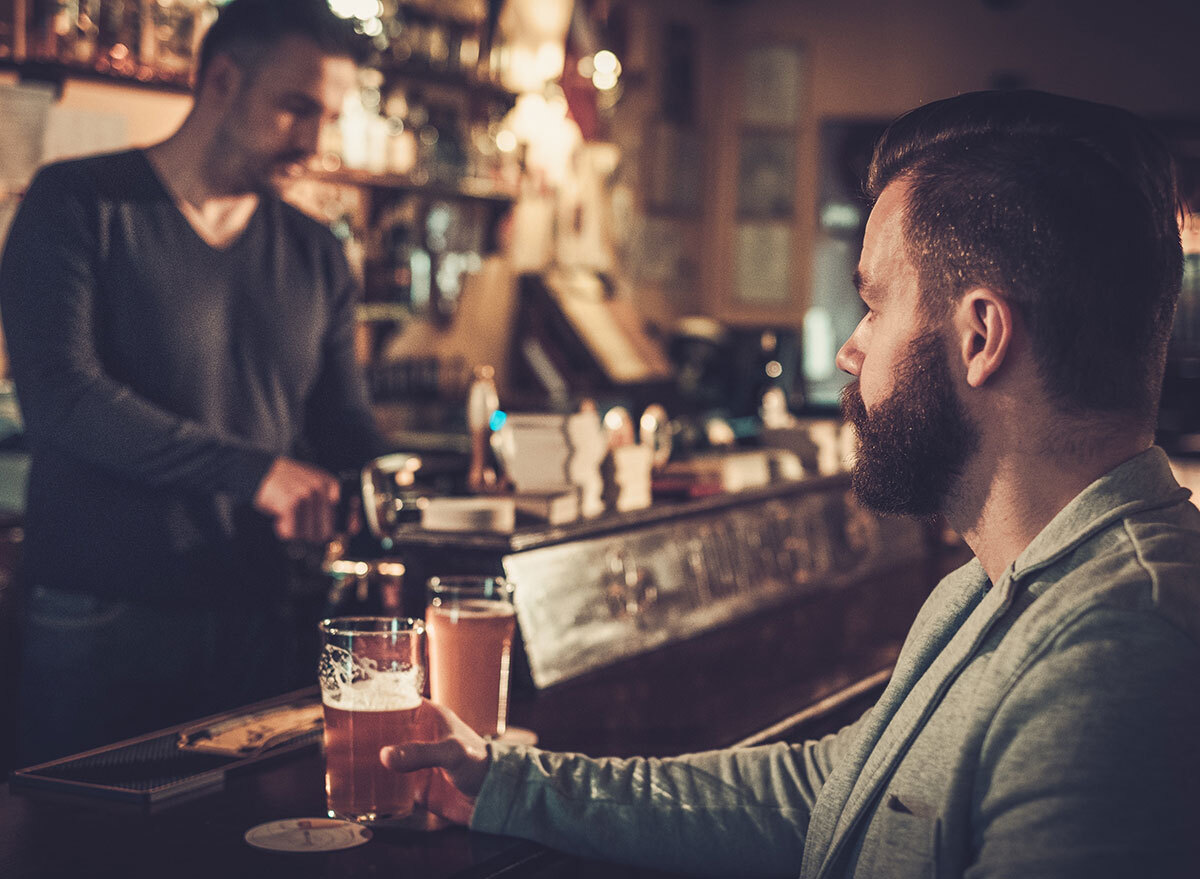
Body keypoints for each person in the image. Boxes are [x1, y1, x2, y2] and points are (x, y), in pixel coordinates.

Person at [378, 90, 1200, 878]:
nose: (851, 348)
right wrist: (512, 781)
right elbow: (832, 795)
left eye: (874, 306)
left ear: (981, 335)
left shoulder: (1117, 659)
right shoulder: (985, 592)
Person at [0, 0, 386, 765]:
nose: (313, 141)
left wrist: (437, 487)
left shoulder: (315, 252)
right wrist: (258, 474)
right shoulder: (77, 204)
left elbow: (344, 425)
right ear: (221, 79)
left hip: (262, 616)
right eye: (295, 107)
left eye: (328, 116)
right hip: (103, 615)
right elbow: (61, 400)